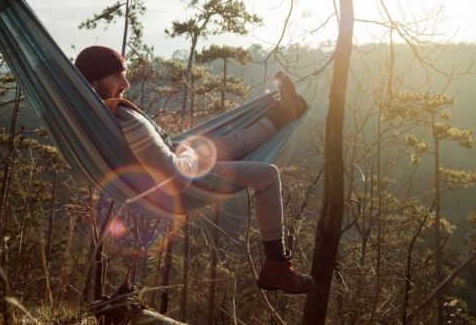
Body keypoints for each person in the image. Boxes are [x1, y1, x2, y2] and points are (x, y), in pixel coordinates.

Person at [75, 45, 313, 294]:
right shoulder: (127, 120)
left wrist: (185, 150)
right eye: (116, 77)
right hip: (177, 185)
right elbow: (174, 179)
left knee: (222, 145)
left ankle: (282, 115)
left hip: (164, 169)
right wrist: (186, 153)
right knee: (267, 175)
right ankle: (276, 266)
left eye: (124, 73)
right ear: (93, 82)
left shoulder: (97, 115)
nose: (126, 83)